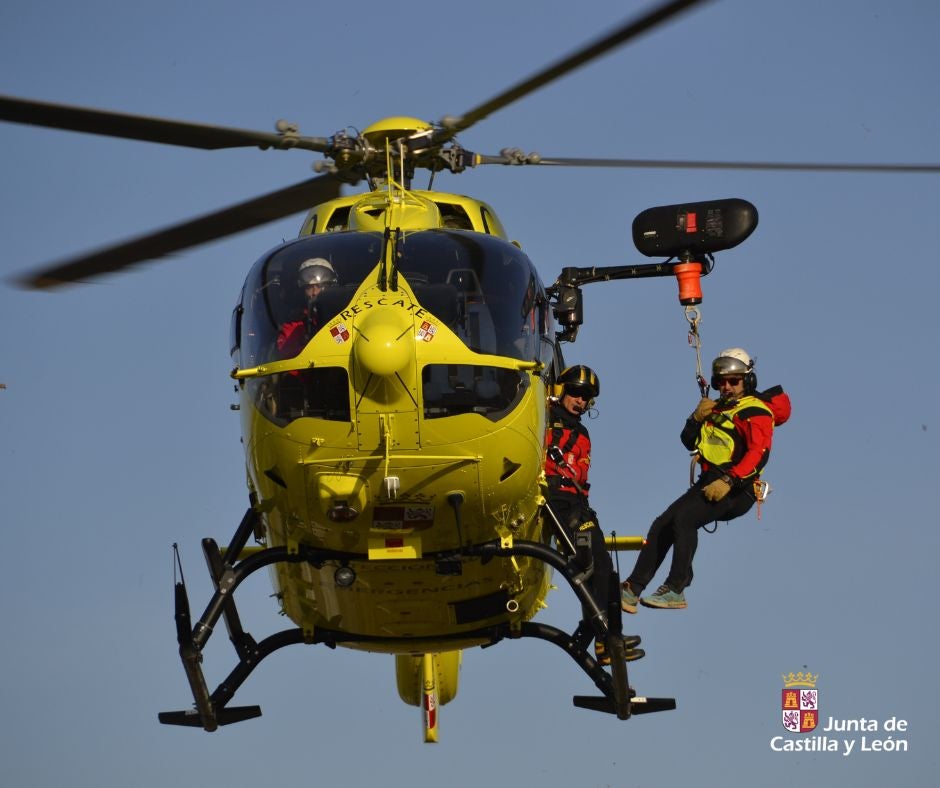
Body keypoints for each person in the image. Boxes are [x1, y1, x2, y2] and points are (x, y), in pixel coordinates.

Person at [621, 348, 790, 612]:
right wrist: (695, 419)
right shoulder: (716, 408)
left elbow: (759, 454)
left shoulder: (754, 412)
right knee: (662, 524)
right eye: (721, 382)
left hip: (736, 488)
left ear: (748, 381)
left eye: (734, 381)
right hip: (709, 482)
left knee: (684, 519)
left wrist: (729, 481)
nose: (727, 387)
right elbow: (688, 441)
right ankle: (632, 589)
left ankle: (676, 588)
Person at [545, 364, 644, 663]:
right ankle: (605, 638)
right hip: (557, 500)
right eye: (575, 393)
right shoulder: (545, 417)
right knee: (597, 568)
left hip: (577, 502)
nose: (579, 401)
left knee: (604, 573)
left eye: (585, 397)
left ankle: (604, 639)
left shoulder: (582, 430)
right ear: (562, 391)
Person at [277, 257, 338, 358]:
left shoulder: (345, 314)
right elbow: (286, 356)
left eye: (319, 286)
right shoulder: (296, 324)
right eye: (309, 287)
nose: (314, 292)